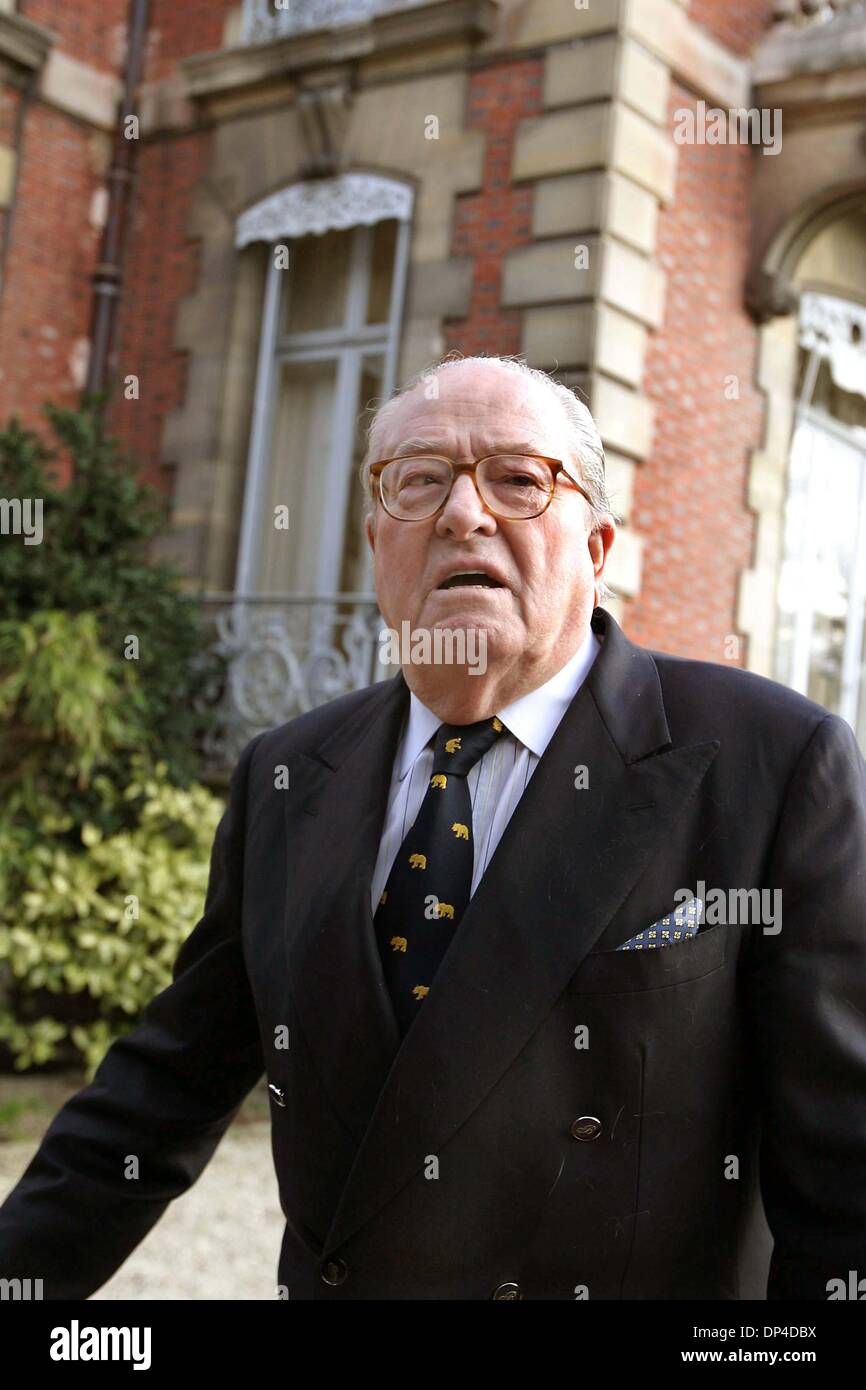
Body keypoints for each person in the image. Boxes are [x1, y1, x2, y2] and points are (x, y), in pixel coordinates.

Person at [1, 354, 865, 1300]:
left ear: (598, 549)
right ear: (378, 543)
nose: (464, 513)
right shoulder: (287, 776)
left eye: (519, 480)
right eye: (420, 481)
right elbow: (161, 1092)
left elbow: (842, 1180)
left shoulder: (772, 764)